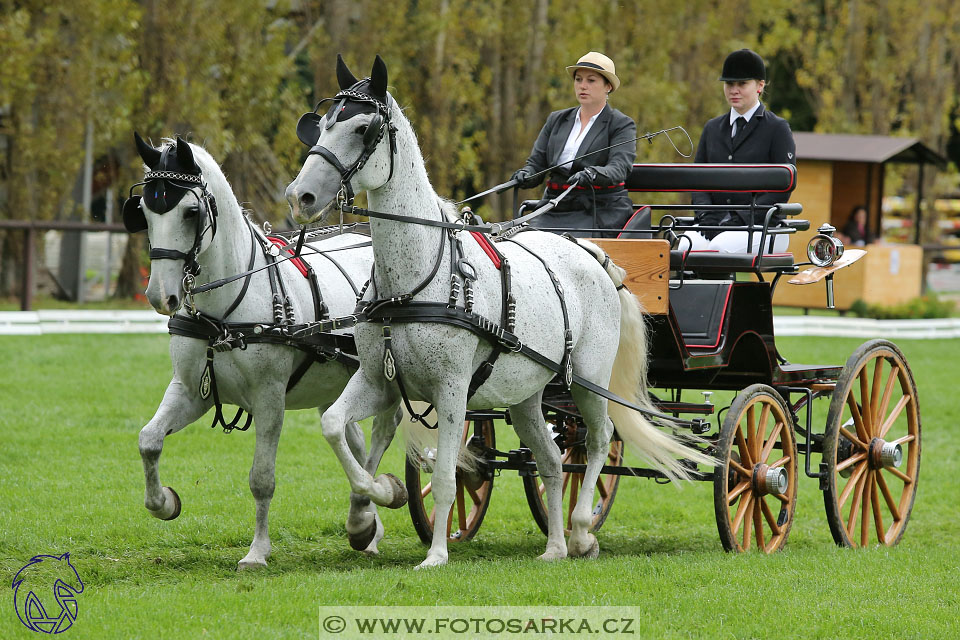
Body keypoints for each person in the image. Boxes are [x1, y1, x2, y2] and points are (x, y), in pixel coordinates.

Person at [511, 51, 637, 237]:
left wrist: (593, 173)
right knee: (522, 241)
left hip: (598, 209)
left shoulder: (621, 124)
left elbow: (619, 168)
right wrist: (526, 174)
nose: (582, 86)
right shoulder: (557, 119)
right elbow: (537, 164)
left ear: (608, 86)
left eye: (591, 80)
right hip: (554, 207)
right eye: (578, 80)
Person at [685, 48, 796, 253]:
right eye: (729, 84)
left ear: (759, 86)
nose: (734, 90)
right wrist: (707, 217)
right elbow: (697, 180)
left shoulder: (777, 128)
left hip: (762, 225)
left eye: (742, 84)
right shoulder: (712, 128)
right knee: (684, 245)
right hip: (714, 223)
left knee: (719, 248)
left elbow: (783, 187)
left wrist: (739, 219)